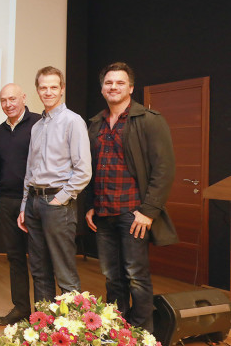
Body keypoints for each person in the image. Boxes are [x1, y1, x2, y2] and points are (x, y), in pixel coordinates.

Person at [85, 62, 177, 332]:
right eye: (108, 83)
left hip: (133, 213)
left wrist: (148, 211)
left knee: (136, 276)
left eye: (120, 83)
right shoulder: (95, 124)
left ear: (131, 88)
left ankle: (142, 332)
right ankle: (117, 328)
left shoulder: (149, 120)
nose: (113, 87)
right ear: (102, 89)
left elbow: (164, 168)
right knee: (112, 277)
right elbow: (91, 168)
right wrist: (91, 205)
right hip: (103, 212)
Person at [17, 66, 91, 302]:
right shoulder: (37, 127)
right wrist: (24, 206)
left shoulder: (73, 121)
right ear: (37, 90)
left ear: (62, 89)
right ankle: (44, 320)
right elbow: (30, 170)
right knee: (39, 270)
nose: (48, 92)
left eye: (53, 87)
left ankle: (71, 324)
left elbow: (83, 170)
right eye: (43, 88)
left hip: (57, 203)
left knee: (65, 272)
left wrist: (61, 198)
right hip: (34, 203)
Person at [0, 83, 41, 326]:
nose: (8, 104)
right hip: (8, 201)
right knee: (15, 257)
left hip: (34, 201)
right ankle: (21, 308)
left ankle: (44, 313)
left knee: (39, 258)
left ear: (23, 98)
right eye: (3, 100)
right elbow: (3, 166)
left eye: (12, 99)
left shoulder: (38, 123)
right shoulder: (1, 129)